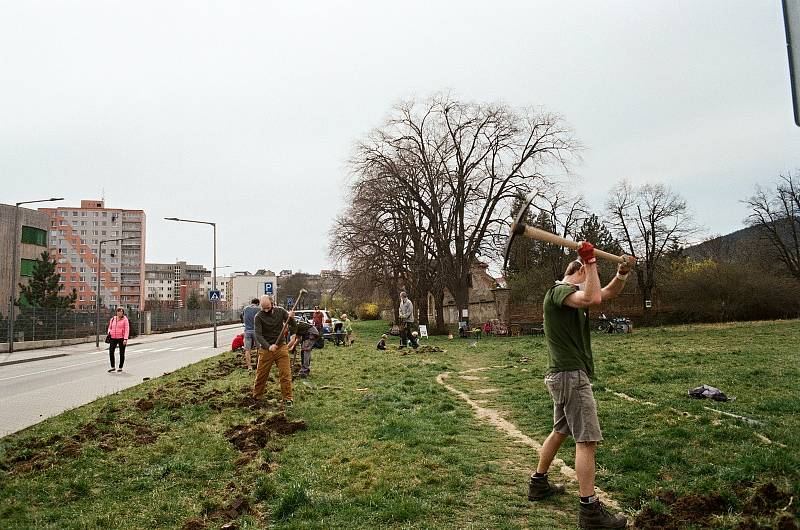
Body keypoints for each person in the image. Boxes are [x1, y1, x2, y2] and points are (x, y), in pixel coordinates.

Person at [527, 242, 633, 529]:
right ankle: (590, 511)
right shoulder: (559, 291)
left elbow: (604, 293)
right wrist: (592, 262)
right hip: (571, 376)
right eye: (587, 277)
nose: (591, 285)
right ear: (579, 273)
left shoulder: (574, 294)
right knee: (586, 440)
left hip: (563, 376)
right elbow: (592, 298)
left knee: (560, 430)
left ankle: (538, 484)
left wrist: (621, 274)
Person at [252, 295, 295, 407]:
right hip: (266, 350)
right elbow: (258, 335)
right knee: (261, 374)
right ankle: (257, 397)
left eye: (268, 307)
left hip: (281, 348)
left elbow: (293, 325)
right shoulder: (258, 317)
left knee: (285, 374)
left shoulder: (281, 311)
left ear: (272, 303)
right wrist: (268, 346)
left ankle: (288, 399)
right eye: (263, 308)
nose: (266, 310)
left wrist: (291, 318)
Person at [107, 307, 129, 373]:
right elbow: (109, 327)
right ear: (116, 312)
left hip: (121, 338)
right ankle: (112, 367)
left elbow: (127, 330)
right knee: (111, 352)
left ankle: (120, 367)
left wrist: (125, 339)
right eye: (118, 311)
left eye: (121, 311)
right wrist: (109, 332)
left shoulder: (125, 319)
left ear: (123, 313)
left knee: (121, 353)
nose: (119, 313)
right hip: (113, 338)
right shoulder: (113, 319)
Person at [241, 298, 260, 370]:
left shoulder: (245, 309)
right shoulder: (259, 309)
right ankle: (258, 364)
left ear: (251, 302)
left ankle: (249, 366)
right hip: (256, 331)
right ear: (258, 303)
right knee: (260, 348)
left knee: (247, 350)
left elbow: (242, 317)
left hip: (247, 331)